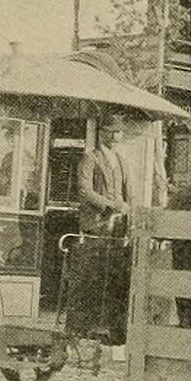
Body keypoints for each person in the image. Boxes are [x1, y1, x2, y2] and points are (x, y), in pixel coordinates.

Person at [65, 115, 132, 347]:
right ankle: (84, 327)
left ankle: (113, 328)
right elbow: (84, 191)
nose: (115, 136)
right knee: (93, 274)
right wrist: (109, 205)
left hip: (118, 227)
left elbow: (128, 192)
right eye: (110, 131)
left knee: (116, 275)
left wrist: (128, 209)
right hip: (96, 224)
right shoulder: (90, 158)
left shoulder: (121, 160)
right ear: (102, 132)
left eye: (118, 132)